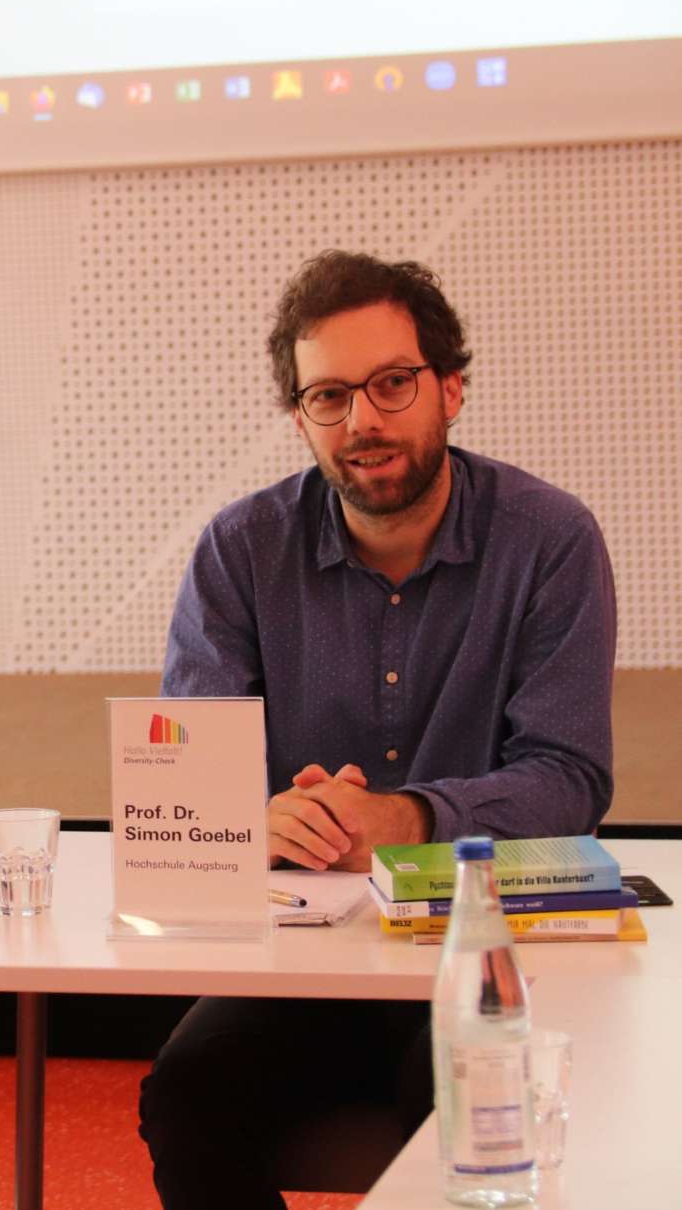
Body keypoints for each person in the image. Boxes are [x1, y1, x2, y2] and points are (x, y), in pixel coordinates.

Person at [136, 250, 616, 1209]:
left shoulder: (551, 540)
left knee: (455, 1094)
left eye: (393, 384)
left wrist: (399, 818)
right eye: (328, 396)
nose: (363, 420)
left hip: (483, 948)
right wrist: (255, 819)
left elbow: (568, 778)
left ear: (451, 388)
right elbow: (184, 780)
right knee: (190, 1096)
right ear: (302, 417)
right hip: (303, 952)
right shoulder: (242, 549)